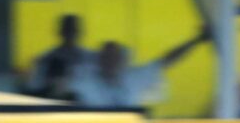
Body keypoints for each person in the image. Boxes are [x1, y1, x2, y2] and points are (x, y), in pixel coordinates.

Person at [70, 27, 210, 109]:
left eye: (114, 57)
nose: (110, 61)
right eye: (106, 57)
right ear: (99, 60)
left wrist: (196, 41)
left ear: (122, 61)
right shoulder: (84, 82)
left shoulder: (133, 77)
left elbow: (166, 60)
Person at [27, 14, 94, 100]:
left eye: (73, 30)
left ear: (80, 31)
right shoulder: (46, 59)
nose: (70, 33)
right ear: (61, 31)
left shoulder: (90, 58)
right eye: (67, 30)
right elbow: (34, 86)